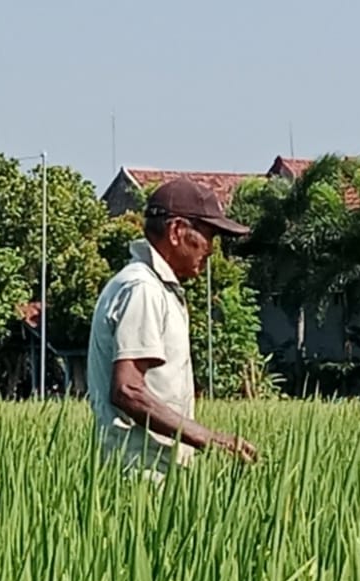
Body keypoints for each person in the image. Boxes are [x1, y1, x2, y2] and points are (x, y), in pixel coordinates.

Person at [87, 177, 259, 479]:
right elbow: (128, 390)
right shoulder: (143, 289)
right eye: (209, 236)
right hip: (140, 472)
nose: (211, 251)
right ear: (178, 231)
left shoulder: (154, 287)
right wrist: (209, 438)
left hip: (153, 469)